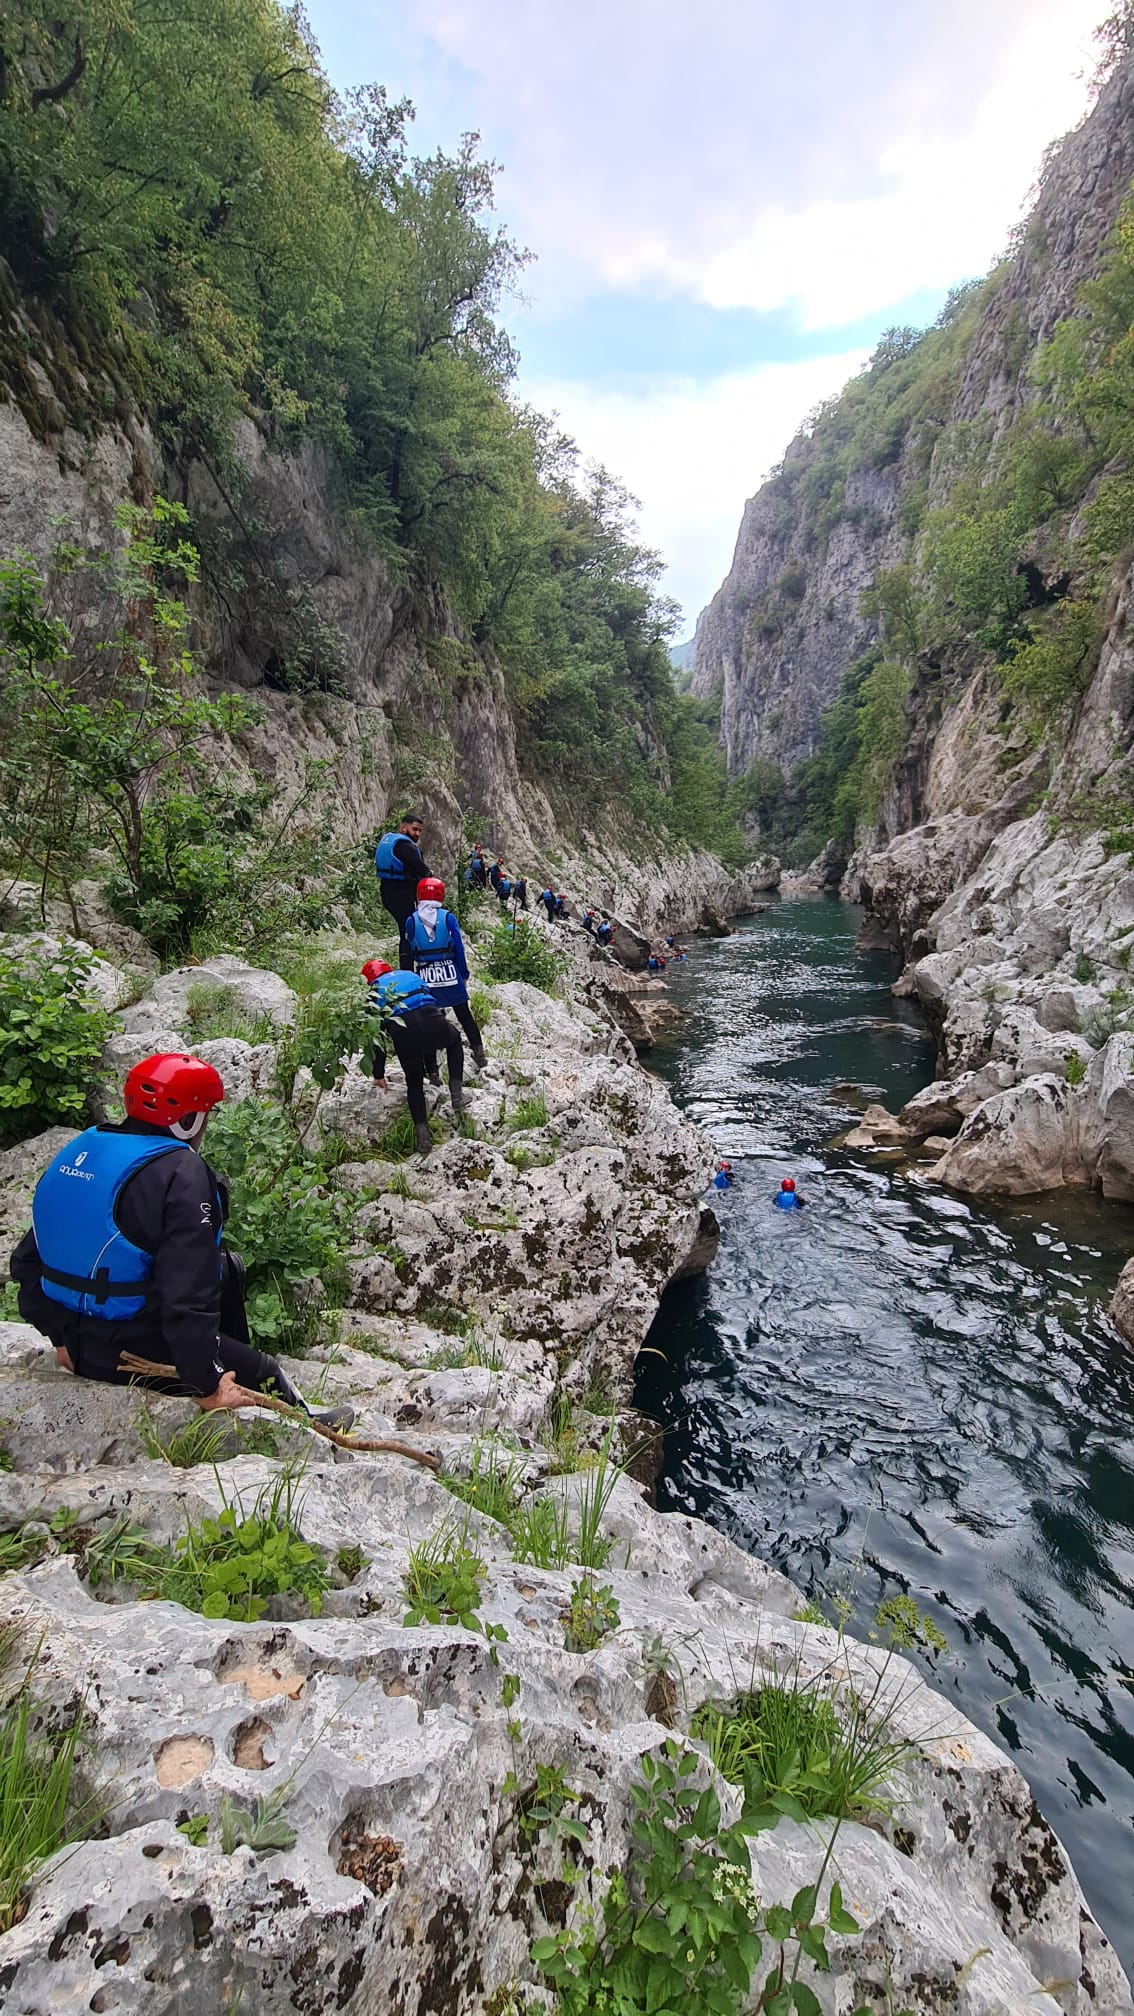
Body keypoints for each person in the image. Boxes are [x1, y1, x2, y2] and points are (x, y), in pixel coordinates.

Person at [8, 1054, 353, 1427]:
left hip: (77, 1340)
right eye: (206, 1115)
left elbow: (27, 1261)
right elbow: (188, 1294)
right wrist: (206, 1383)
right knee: (265, 1369)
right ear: (188, 1121)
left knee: (225, 1269)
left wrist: (61, 1339)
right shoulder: (181, 1172)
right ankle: (313, 1426)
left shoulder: (84, 1150)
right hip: (132, 1346)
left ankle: (216, 1357)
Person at [363, 959, 464, 1158]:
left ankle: (423, 1135)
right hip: (432, 1020)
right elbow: (432, 1002)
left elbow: (378, 1040)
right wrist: (433, 1067)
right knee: (454, 1042)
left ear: (370, 979)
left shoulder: (373, 994)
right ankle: (457, 1093)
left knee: (414, 1084)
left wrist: (378, 1074)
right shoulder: (410, 975)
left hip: (404, 1033)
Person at [402, 878, 487, 1069]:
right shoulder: (448, 918)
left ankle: (432, 1071)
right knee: (464, 1015)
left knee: (429, 1022)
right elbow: (459, 948)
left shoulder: (411, 920)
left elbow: (408, 950)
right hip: (449, 970)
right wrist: (463, 974)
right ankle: (479, 1054)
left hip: (425, 974)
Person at [375, 814, 430, 967]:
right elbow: (421, 869)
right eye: (414, 829)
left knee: (405, 929)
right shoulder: (404, 846)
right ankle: (407, 969)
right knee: (407, 933)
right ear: (403, 827)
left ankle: (408, 967)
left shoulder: (391, 841)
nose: (417, 834)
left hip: (387, 891)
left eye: (420, 831)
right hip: (401, 894)